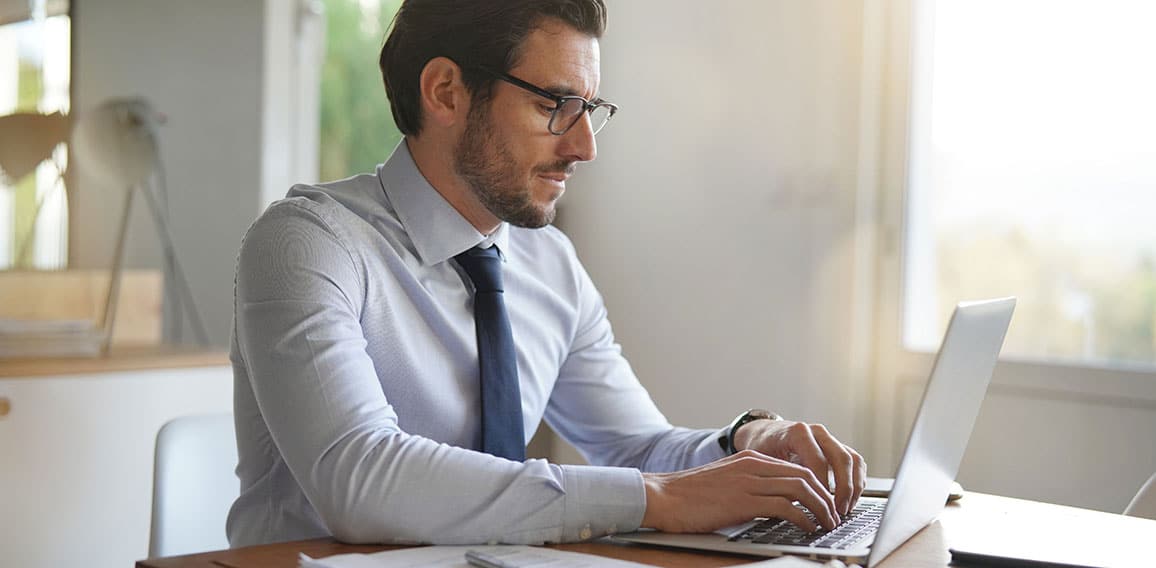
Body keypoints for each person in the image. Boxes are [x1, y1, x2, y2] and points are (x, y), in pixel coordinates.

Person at [227, 0, 865, 548]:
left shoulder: (548, 264)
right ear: (446, 91)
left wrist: (745, 444)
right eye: (557, 104)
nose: (585, 145)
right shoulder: (307, 243)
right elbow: (358, 478)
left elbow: (637, 449)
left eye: (590, 107)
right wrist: (655, 498)